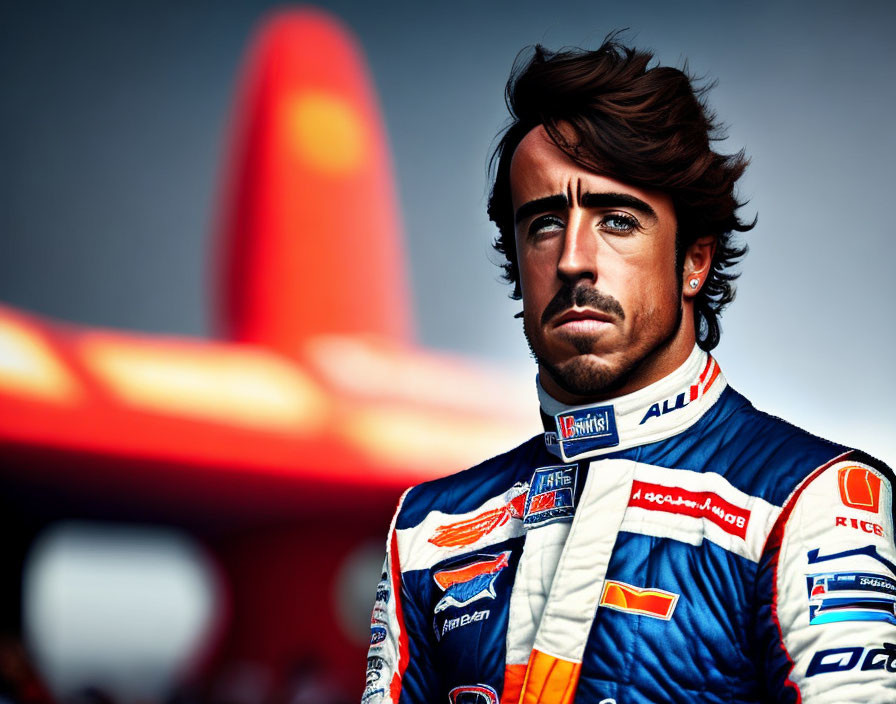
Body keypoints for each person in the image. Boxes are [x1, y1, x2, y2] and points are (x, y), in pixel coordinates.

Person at [362, 38, 896, 704]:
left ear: (694, 261)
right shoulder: (426, 528)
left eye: (617, 220)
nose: (574, 260)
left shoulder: (811, 501)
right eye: (545, 224)